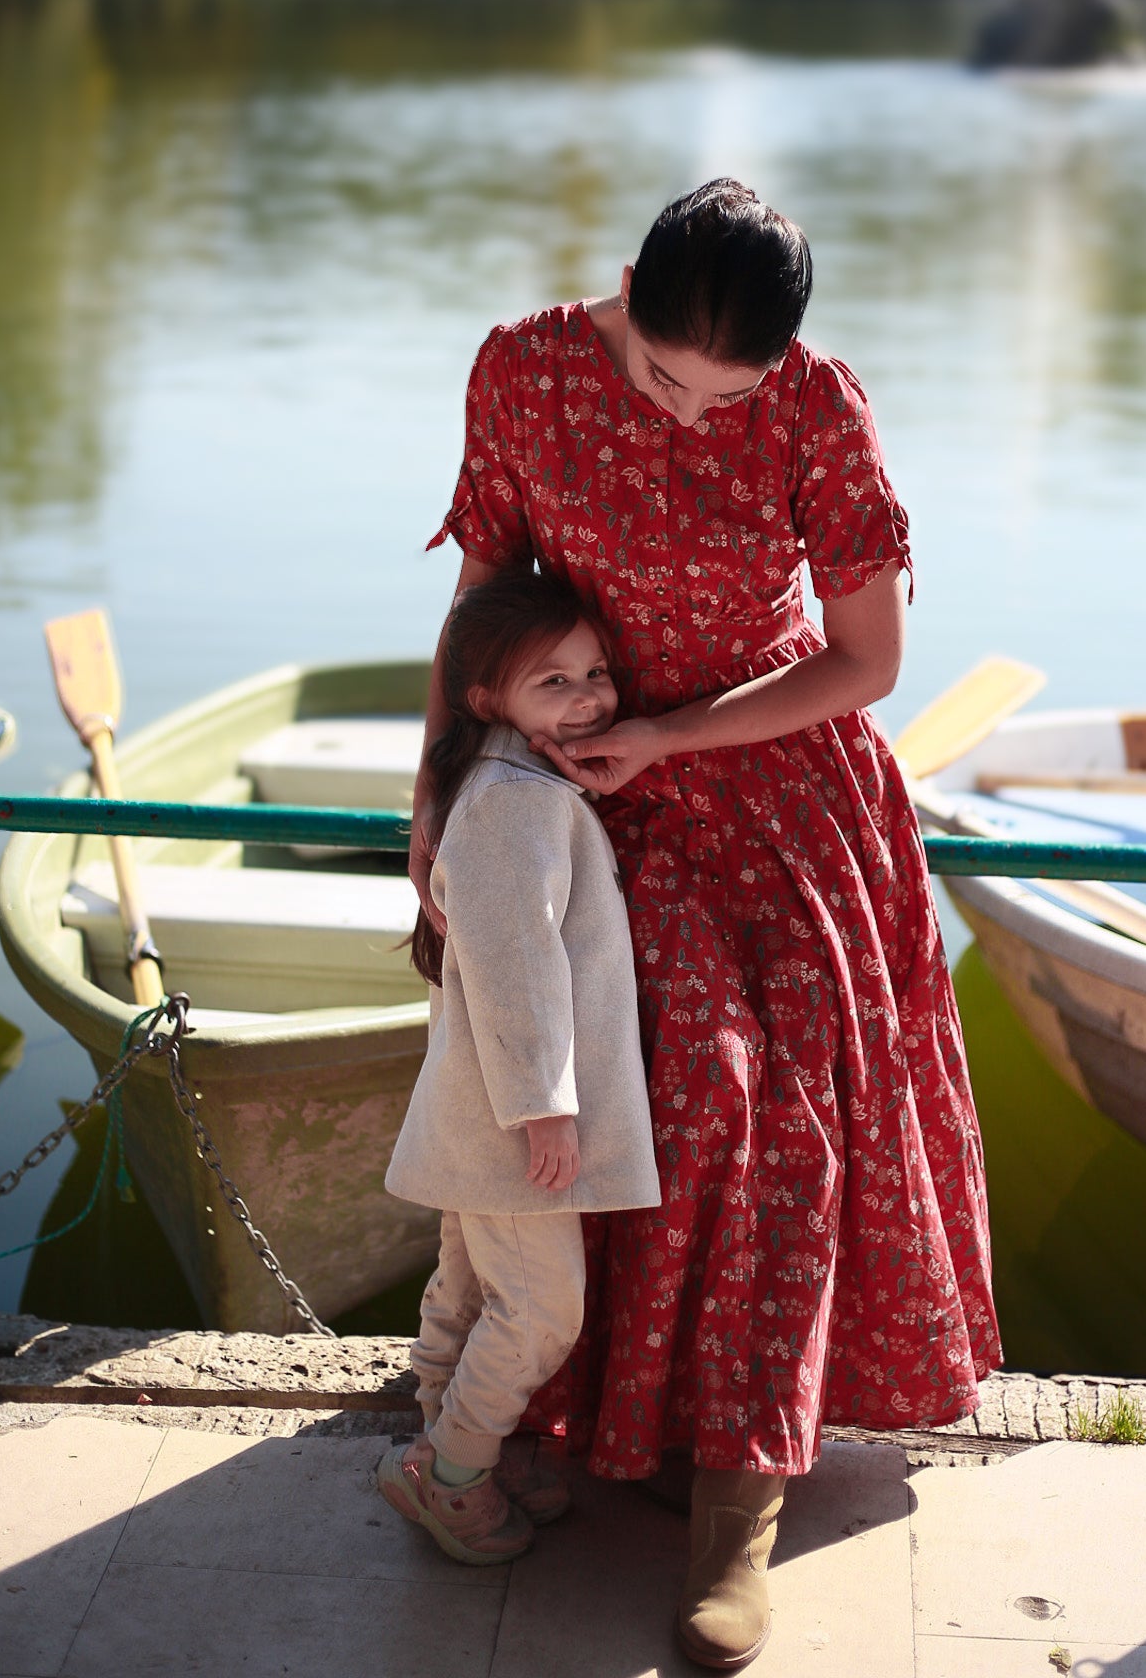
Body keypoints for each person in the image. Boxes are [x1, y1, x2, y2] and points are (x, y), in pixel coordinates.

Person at [414, 178, 1001, 1669]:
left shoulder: (816, 404)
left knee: (761, 1109)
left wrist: (675, 736)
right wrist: (436, 804)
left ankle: (739, 1501)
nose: (689, 417)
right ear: (626, 288)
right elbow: (486, 600)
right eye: (667, 380)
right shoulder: (526, 368)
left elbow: (866, 661)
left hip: (771, 770)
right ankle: (630, 1419)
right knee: (622, 1096)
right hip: (575, 776)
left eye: (724, 396)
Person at [379, 569, 660, 1567]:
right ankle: (451, 1472)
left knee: (465, 1287)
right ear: (485, 696)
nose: (588, 697)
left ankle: (450, 1444)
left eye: (597, 671)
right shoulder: (512, 802)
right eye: (554, 681)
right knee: (541, 1308)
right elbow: (516, 967)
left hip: (482, 1109)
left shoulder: (510, 781)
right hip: (515, 1118)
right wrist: (547, 1106)